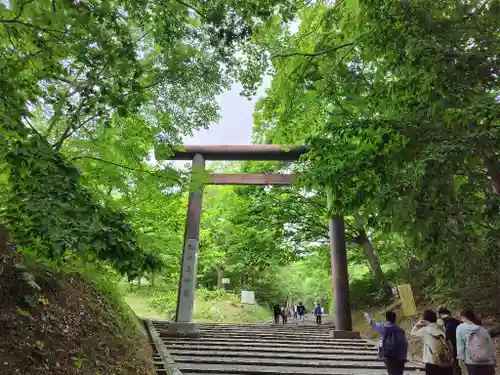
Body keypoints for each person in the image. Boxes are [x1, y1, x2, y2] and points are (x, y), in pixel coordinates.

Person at [411, 309, 454, 375]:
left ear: (425, 319)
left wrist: (417, 325)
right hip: (445, 360)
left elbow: (412, 333)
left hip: (432, 362)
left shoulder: (425, 330)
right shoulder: (441, 328)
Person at [364, 310, 408, 375]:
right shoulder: (401, 330)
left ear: (386, 318)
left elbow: (372, 323)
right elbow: (405, 343)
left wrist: (367, 316)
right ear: (395, 319)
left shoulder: (383, 327)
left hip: (388, 356)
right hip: (400, 356)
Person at [456, 309, 496, 375]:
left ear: (464, 317)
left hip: (472, 362)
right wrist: (493, 360)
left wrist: (461, 360)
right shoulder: (482, 329)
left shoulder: (460, 328)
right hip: (488, 362)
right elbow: (490, 346)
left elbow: (460, 347)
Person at [438, 307, 463, 375]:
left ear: (441, 314)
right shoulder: (457, 322)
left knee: (454, 368)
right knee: (457, 368)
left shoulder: (445, 324)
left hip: (451, 349)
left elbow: (445, 339)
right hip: (460, 348)